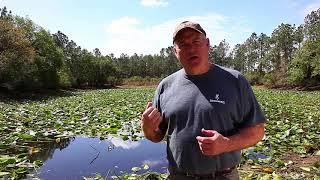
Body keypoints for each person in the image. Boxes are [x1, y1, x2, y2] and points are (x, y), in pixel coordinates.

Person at [141, 21, 266, 180]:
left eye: (196, 42)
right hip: (178, 176)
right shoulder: (165, 86)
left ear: (207, 44)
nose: (191, 48)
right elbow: (156, 136)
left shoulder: (235, 81)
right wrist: (148, 129)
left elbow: (257, 131)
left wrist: (226, 144)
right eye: (183, 44)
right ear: (175, 51)